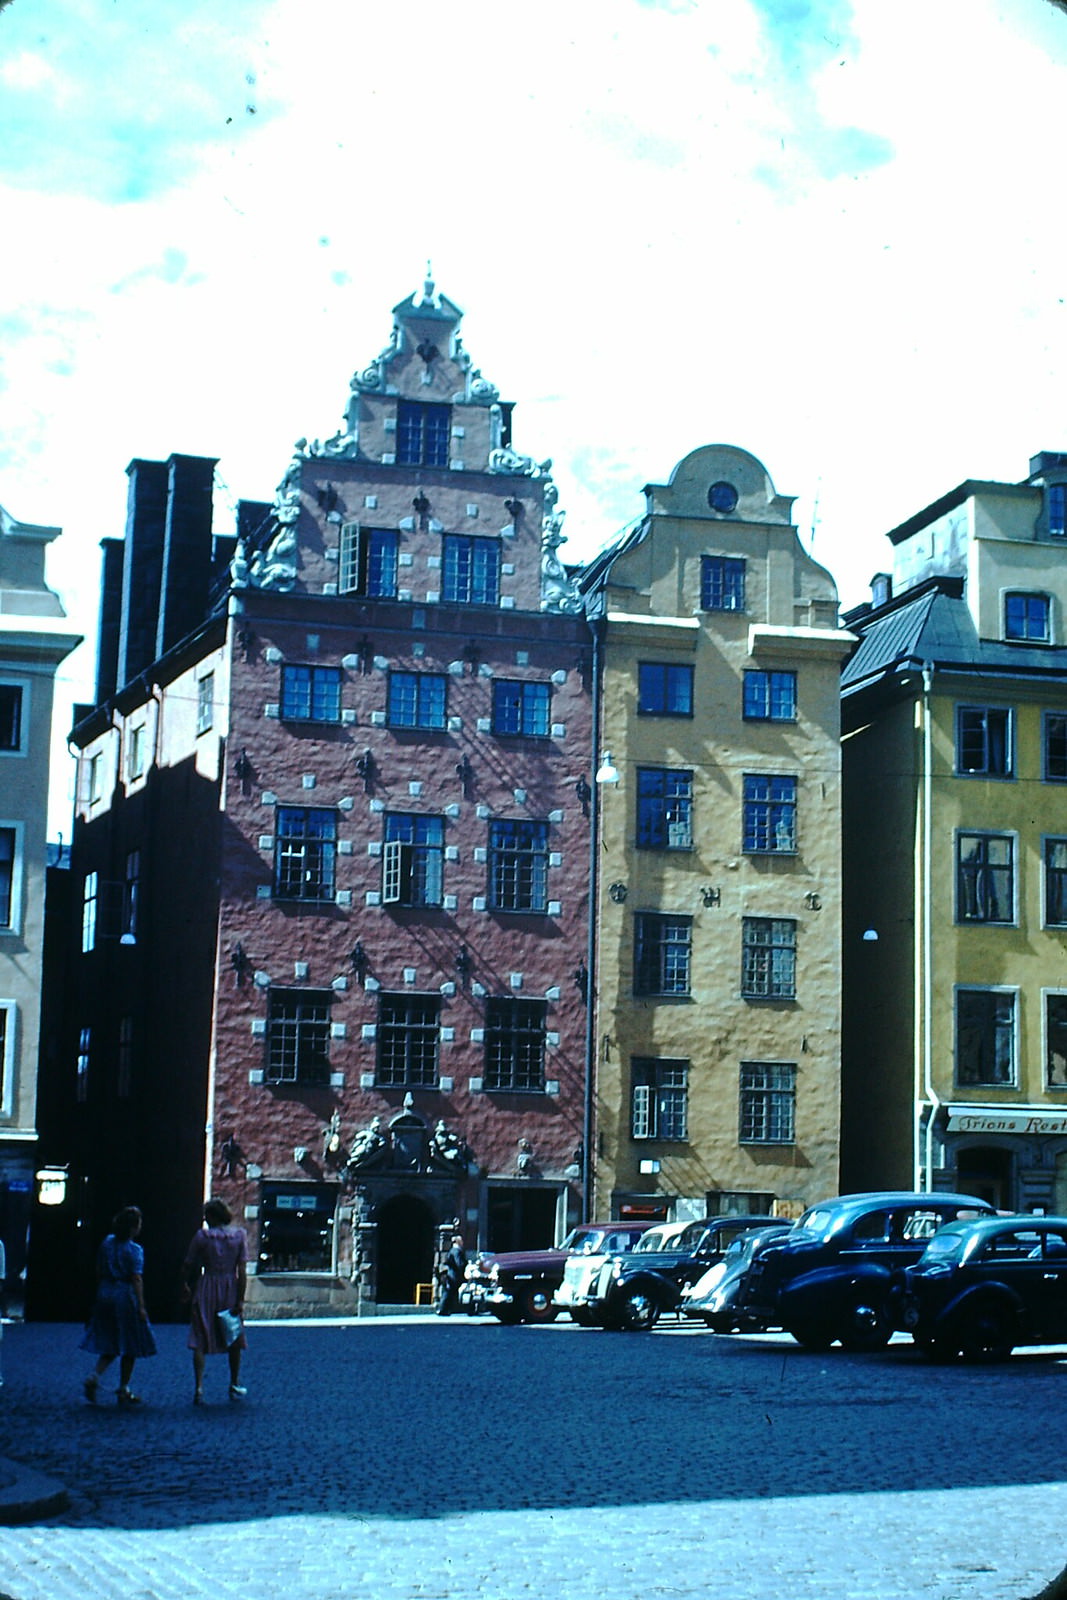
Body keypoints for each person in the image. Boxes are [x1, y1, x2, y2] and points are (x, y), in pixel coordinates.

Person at [80, 1205, 157, 1406]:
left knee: (110, 1340)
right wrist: (141, 1306)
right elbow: (136, 1278)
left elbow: (98, 1268)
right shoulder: (135, 1250)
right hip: (124, 1295)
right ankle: (123, 1387)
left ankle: (95, 1375)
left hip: (105, 1292)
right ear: (133, 1228)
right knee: (130, 1343)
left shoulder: (107, 1243)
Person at [181, 1198, 248, 1404]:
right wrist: (240, 1299)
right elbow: (242, 1271)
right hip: (229, 1286)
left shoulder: (202, 1237)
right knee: (233, 1337)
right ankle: (234, 1382)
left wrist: (184, 1284)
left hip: (207, 1286)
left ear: (212, 1216)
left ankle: (199, 1387)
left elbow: (188, 1263)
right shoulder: (239, 1236)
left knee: (200, 1336)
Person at [435, 1232, 467, 1317]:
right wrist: (465, 1265)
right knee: (448, 1292)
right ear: (458, 1242)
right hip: (454, 1275)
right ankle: (442, 1309)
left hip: (451, 1274)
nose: (463, 1242)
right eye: (461, 1241)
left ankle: (446, 1309)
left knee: (448, 1292)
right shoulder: (456, 1251)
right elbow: (459, 1263)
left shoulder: (452, 1250)